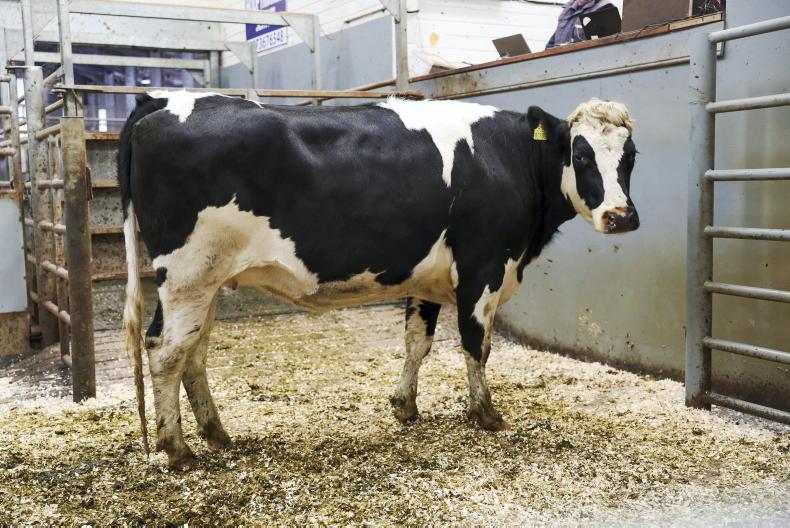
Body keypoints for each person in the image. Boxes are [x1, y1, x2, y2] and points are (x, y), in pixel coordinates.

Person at [545, 0, 614, 49]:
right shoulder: (569, 9)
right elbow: (553, 42)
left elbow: (607, 46)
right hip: (560, 61)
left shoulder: (605, 8)